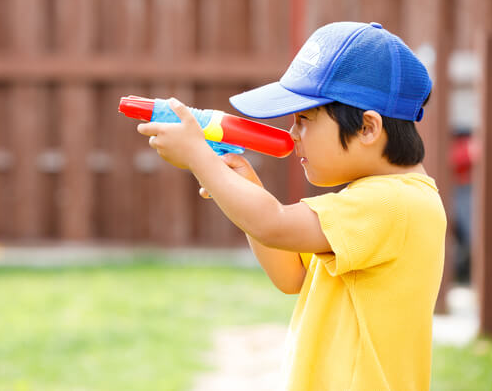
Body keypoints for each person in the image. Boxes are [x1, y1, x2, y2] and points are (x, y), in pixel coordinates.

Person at [136, 21, 446, 391]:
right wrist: (246, 185)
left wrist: (198, 156)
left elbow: (274, 224)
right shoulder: (379, 200)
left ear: (367, 128)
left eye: (305, 120)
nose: (291, 134)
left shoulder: (392, 202)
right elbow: (291, 275)